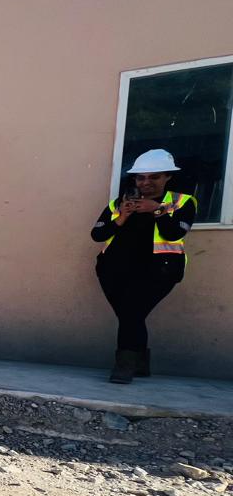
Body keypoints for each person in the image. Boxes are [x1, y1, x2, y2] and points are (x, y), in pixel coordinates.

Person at [90, 149, 195, 384]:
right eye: (141, 177)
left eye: (154, 177)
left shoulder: (182, 202)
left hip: (160, 271)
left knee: (131, 313)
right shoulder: (119, 203)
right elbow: (97, 235)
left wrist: (156, 210)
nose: (146, 182)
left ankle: (124, 366)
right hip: (113, 270)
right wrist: (121, 217)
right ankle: (140, 364)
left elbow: (174, 233)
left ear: (168, 177)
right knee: (132, 316)